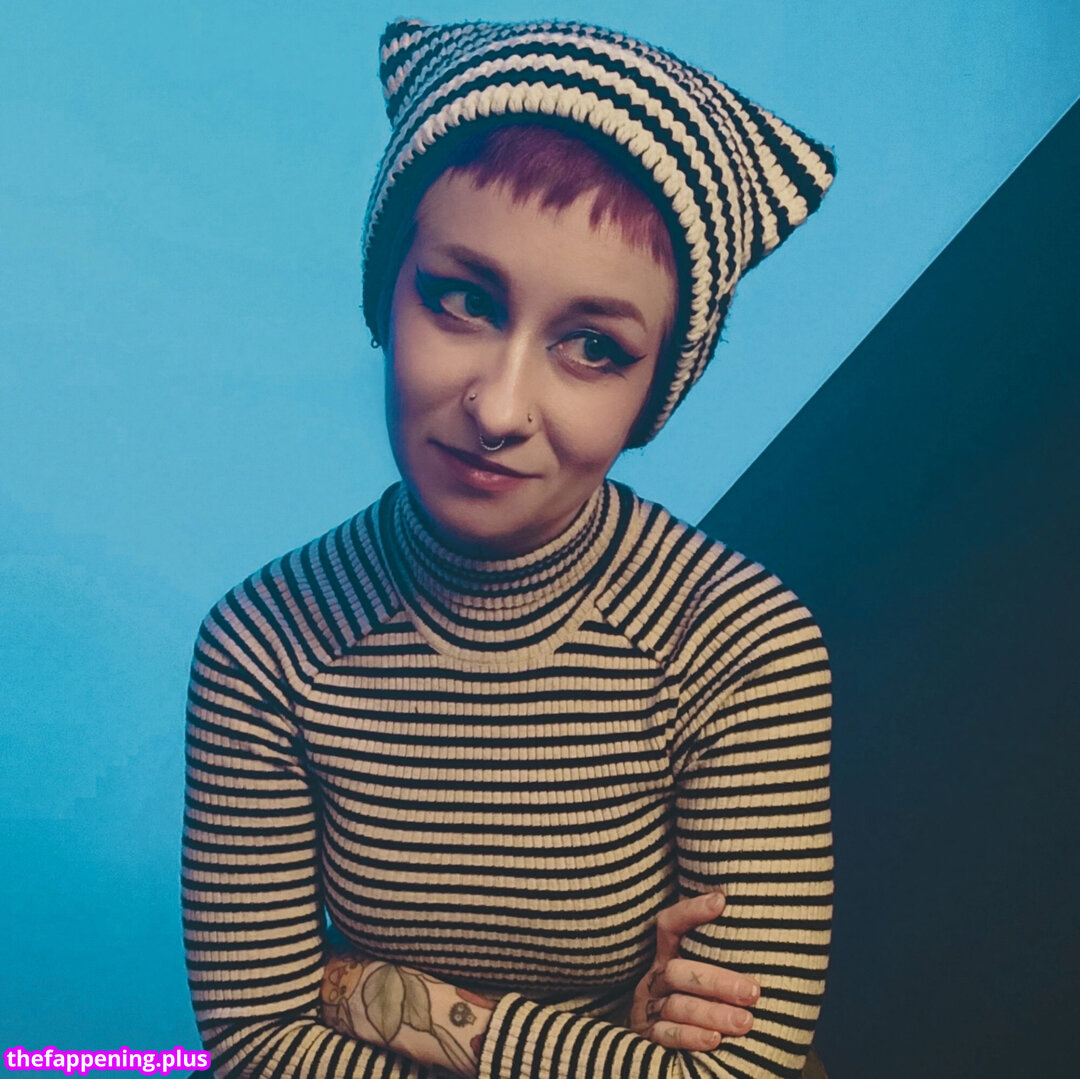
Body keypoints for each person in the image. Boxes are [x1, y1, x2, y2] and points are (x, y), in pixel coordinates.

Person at [182, 16, 835, 1079]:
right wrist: (613, 1042)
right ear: (385, 292)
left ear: (655, 392)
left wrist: (349, 984)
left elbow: (736, 1071)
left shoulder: (741, 643)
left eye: (593, 347)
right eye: (464, 300)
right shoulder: (264, 644)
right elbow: (254, 1037)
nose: (498, 407)